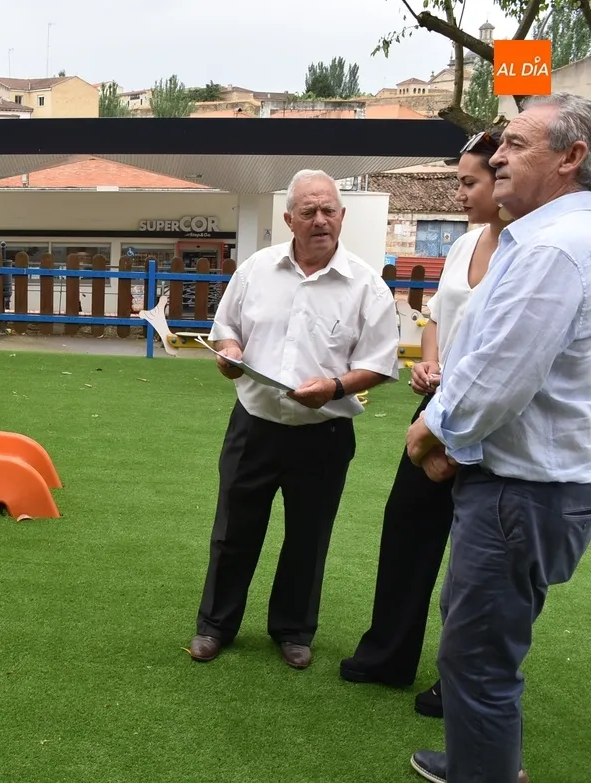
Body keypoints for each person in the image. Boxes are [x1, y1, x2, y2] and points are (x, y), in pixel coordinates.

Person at [405, 93, 591, 783]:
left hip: (521, 489)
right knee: (473, 636)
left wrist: (431, 434)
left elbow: (498, 378)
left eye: (516, 143)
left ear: (571, 157)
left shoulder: (555, 248)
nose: (499, 156)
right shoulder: (543, 239)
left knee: (478, 656)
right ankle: (480, 762)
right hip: (523, 487)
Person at [186, 169, 400, 669]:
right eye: (308, 211)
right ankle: (215, 625)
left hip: (323, 433)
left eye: (328, 210)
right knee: (233, 531)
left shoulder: (367, 286)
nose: (320, 220)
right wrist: (229, 351)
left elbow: (379, 363)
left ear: (342, 215)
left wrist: (336, 388)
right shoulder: (256, 270)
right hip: (254, 424)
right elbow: (227, 328)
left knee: (308, 536)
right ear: (289, 220)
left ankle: (293, 630)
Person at [340, 131, 508, 718]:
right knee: (407, 530)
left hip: (492, 420)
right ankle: (387, 655)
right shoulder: (463, 246)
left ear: (503, 178)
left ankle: (457, 681)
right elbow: (436, 315)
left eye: (469, 182)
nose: (459, 193)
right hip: (437, 408)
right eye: (458, 181)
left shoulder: (531, 254)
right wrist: (429, 363)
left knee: (478, 558)